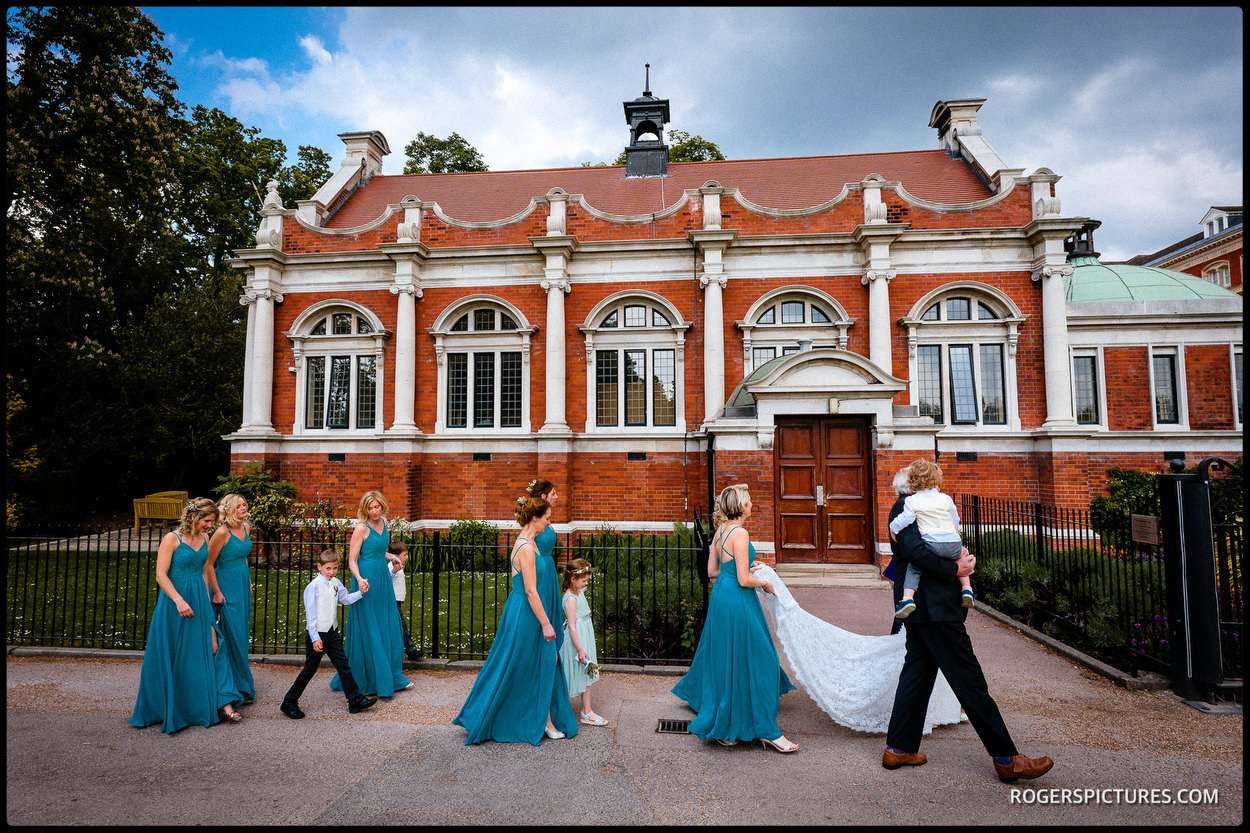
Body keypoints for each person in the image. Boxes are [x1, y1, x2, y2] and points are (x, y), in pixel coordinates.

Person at [883, 480, 1054, 782]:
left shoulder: (927, 507)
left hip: (927, 610)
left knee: (917, 677)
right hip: (934, 609)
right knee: (970, 681)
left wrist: (962, 560)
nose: (934, 487)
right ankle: (1007, 759)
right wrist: (956, 570)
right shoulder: (907, 506)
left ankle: (899, 748)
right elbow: (914, 552)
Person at [671, 484, 798, 752]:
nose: (752, 504)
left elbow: (712, 572)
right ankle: (767, 729)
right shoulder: (740, 533)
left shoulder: (720, 531)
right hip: (739, 599)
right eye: (749, 500)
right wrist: (764, 583)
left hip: (722, 597)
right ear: (740, 506)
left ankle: (730, 728)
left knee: (729, 657)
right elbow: (744, 579)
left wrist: (744, 568)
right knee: (762, 656)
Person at [453, 496, 580, 745]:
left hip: (524, 609)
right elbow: (531, 591)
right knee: (528, 662)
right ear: (535, 518)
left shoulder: (527, 542)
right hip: (527, 613)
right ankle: (541, 722)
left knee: (524, 663)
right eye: (547, 519)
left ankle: (543, 720)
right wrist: (546, 623)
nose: (548, 523)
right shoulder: (526, 548)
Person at [130, 497, 243, 733]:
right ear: (193, 517)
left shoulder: (204, 538)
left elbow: (203, 571)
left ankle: (215, 702)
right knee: (174, 654)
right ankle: (173, 707)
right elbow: (161, 575)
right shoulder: (172, 539)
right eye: (206, 521)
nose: (209, 526)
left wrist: (207, 598)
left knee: (211, 646)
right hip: (173, 603)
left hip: (199, 600)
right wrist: (179, 600)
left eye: (212, 522)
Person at [330, 491, 412, 698]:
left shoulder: (384, 522)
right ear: (365, 509)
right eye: (370, 508)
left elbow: (378, 551)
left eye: (377, 507)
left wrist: (393, 556)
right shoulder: (360, 528)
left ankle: (390, 676)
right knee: (370, 627)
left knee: (387, 624)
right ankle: (369, 680)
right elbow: (352, 560)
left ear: (382, 506)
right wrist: (359, 580)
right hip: (365, 579)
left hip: (382, 578)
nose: (374, 511)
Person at [280, 549, 378, 719]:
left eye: (335, 568)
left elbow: (345, 599)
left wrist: (361, 593)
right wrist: (315, 638)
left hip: (332, 633)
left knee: (343, 665)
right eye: (328, 569)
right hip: (317, 634)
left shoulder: (336, 583)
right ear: (319, 567)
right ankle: (289, 701)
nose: (332, 572)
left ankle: (354, 700)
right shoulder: (313, 587)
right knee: (309, 670)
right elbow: (310, 615)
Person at [888, 460, 971, 619]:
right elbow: (915, 552)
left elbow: (903, 523)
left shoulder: (914, 502)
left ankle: (907, 598)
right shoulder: (940, 499)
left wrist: (894, 528)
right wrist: (955, 567)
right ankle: (967, 588)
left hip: (933, 605)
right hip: (929, 605)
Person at [206, 493, 256, 705]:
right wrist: (216, 592)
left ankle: (240, 682)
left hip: (241, 584)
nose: (243, 508)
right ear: (229, 510)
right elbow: (208, 564)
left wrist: (249, 584)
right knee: (231, 635)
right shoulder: (221, 532)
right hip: (224, 585)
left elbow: (244, 559)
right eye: (239, 506)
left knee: (242, 636)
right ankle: (234, 686)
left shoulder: (246, 528)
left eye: (244, 505)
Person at [558, 558, 606, 726]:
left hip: (585, 634)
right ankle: (582, 712)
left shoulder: (579, 592)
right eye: (583, 580)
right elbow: (571, 626)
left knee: (588, 673)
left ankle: (587, 711)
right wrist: (580, 649)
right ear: (573, 579)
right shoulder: (571, 598)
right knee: (580, 672)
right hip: (577, 639)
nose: (586, 583)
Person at [386, 539, 424, 661]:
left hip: (396, 601)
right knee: (401, 625)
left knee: (397, 626)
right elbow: (387, 582)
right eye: (405, 555)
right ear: (395, 556)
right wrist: (393, 571)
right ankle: (410, 650)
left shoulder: (399, 567)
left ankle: (401, 650)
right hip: (391, 602)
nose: (407, 557)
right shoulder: (391, 567)